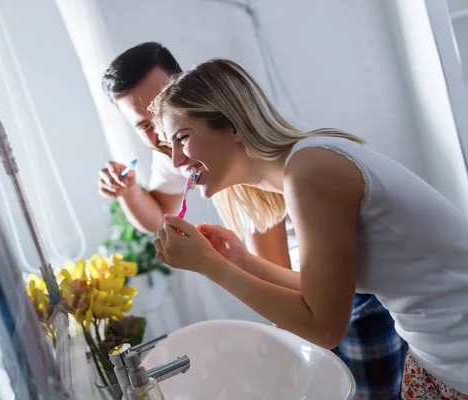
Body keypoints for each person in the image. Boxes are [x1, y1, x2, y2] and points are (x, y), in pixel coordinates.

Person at [100, 43, 407, 399]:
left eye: (166, 116)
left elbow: (317, 316)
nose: (168, 145)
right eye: (146, 125)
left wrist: (213, 266)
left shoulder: (280, 165)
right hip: (318, 289)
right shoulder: (182, 151)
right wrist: (129, 193)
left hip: (347, 297)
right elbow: (158, 214)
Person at [150, 58, 468, 399]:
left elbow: (324, 327)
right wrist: (240, 261)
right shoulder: (302, 167)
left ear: (232, 125)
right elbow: (320, 293)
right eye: (171, 147)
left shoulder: (312, 171)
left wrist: (209, 266)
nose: (177, 161)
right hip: (432, 356)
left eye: (182, 138)